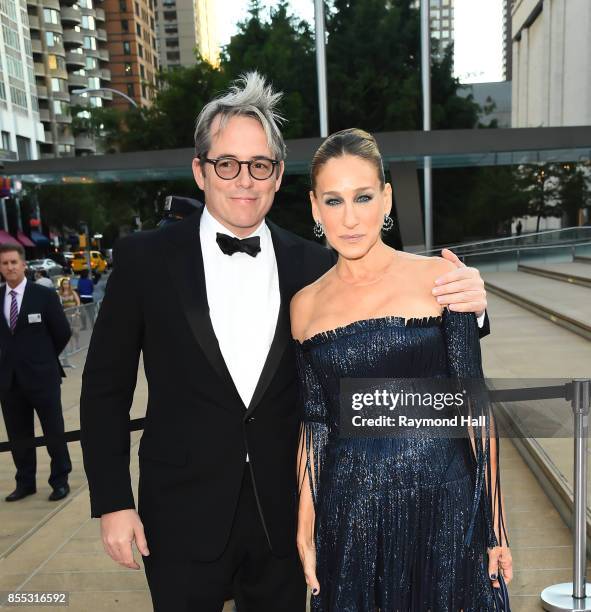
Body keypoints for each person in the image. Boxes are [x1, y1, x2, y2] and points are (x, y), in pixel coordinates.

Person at [79, 73, 490, 612]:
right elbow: (104, 389)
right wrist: (113, 502)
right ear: (201, 171)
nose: (243, 180)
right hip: (179, 517)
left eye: (260, 166)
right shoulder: (143, 259)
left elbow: (388, 344)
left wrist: (474, 309)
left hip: (288, 521)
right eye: (227, 163)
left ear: (277, 178)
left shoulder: (316, 265)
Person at [291, 129, 512, 611]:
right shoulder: (304, 307)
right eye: (333, 200)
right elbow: (315, 427)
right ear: (314, 207)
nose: (349, 218)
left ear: (386, 198)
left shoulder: (439, 280)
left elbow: (474, 409)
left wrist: (494, 525)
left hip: (444, 505)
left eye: (363, 197)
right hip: (351, 514)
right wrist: (305, 526)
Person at [0, 243, 72, 502]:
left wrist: (42, 358)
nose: (9, 267)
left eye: (13, 262)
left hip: (43, 378)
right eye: (4, 263)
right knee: (18, 435)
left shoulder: (43, 296)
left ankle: (60, 479)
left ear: (24, 265)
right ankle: (25, 482)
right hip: (9, 381)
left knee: (54, 431)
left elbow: (62, 332)